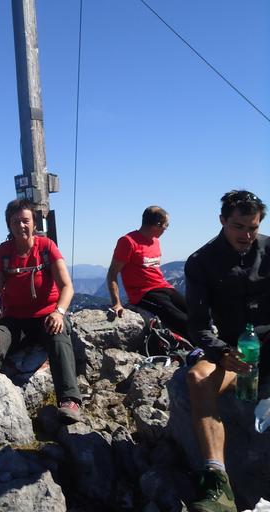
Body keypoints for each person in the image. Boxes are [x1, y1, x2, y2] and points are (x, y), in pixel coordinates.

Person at [185, 190, 269, 512]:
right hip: (233, 353)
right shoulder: (201, 262)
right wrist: (221, 353)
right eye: (238, 227)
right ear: (222, 221)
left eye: (253, 227)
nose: (246, 235)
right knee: (198, 379)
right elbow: (198, 325)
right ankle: (218, 484)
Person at [0, 199, 82, 423]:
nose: (21, 226)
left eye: (26, 221)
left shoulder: (46, 247)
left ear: (34, 223)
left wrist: (59, 312)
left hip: (47, 316)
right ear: (9, 225)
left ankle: (69, 399)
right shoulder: (3, 253)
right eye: (15, 222)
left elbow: (67, 286)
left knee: (58, 336)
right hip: (15, 320)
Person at [107, 206, 189, 337]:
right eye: (166, 225)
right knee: (182, 320)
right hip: (143, 294)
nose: (166, 229)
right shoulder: (128, 242)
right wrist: (116, 303)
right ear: (157, 225)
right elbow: (112, 273)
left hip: (163, 287)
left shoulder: (155, 241)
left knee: (195, 312)